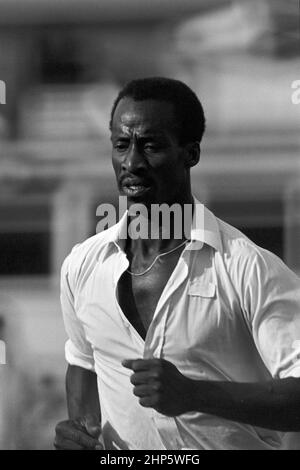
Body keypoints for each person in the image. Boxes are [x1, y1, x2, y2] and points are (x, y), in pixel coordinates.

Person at [54, 77, 300, 450]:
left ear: (191, 153)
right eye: (122, 145)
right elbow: (84, 361)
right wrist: (81, 428)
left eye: (151, 145)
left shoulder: (248, 268)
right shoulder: (83, 265)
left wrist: (194, 395)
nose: (132, 161)